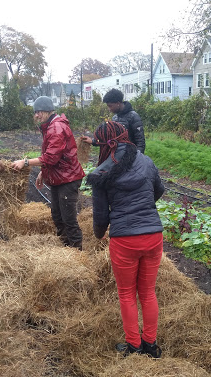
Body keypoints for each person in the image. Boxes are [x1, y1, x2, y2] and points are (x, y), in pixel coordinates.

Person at [86, 121, 164, 358]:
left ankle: (134, 346)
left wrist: (98, 235)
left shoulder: (101, 172)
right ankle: (150, 344)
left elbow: (100, 216)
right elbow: (158, 191)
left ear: (102, 144)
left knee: (127, 294)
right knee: (148, 292)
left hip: (124, 241)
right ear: (125, 136)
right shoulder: (146, 161)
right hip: (153, 236)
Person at [11, 96, 85, 249]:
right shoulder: (50, 126)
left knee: (68, 219)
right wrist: (43, 173)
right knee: (57, 216)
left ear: (46, 111)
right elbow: (53, 156)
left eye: (38, 112)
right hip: (60, 177)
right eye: (35, 112)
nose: (36, 115)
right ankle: (66, 248)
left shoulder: (56, 128)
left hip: (68, 179)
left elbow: (51, 157)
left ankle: (78, 253)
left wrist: (25, 162)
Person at [81, 88, 146, 153]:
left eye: (110, 106)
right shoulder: (115, 118)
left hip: (130, 155)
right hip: (117, 156)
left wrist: (137, 158)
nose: (109, 109)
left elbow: (140, 142)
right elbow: (108, 139)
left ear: (118, 103)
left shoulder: (133, 117)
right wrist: (93, 141)